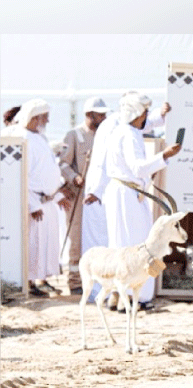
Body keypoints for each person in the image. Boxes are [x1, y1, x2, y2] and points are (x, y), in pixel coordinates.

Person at [103, 94, 181, 309]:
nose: (147, 116)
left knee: (121, 245)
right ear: (138, 114)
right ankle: (133, 298)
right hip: (127, 194)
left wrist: (160, 115)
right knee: (136, 246)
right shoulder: (128, 135)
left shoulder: (124, 130)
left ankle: (118, 297)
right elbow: (138, 167)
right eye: (145, 112)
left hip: (124, 192)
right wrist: (164, 156)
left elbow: (146, 126)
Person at [11, 99, 69, 297]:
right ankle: (29, 283)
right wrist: (32, 204)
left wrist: (58, 195)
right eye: (45, 117)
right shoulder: (21, 138)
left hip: (47, 202)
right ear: (35, 118)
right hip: (34, 203)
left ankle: (38, 281)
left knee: (45, 245)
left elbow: (47, 172)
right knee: (32, 245)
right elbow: (20, 176)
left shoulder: (40, 139)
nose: (48, 120)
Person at [57, 97, 109, 295]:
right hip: (78, 195)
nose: (103, 117)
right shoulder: (74, 135)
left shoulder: (104, 135)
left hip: (98, 197)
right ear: (89, 115)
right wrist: (74, 177)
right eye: (100, 114)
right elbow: (62, 164)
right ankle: (75, 281)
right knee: (76, 238)